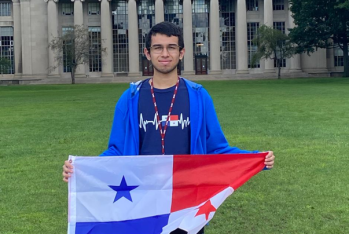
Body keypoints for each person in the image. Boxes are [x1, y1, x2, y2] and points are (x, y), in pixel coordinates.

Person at [62, 21, 275, 234]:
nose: (165, 54)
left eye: (171, 47)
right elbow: (117, 150)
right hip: (141, 200)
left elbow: (216, 147)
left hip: (186, 203)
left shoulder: (198, 96)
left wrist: (256, 158)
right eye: (158, 48)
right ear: (147, 53)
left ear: (181, 53)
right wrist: (80, 169)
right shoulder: (130, 98)